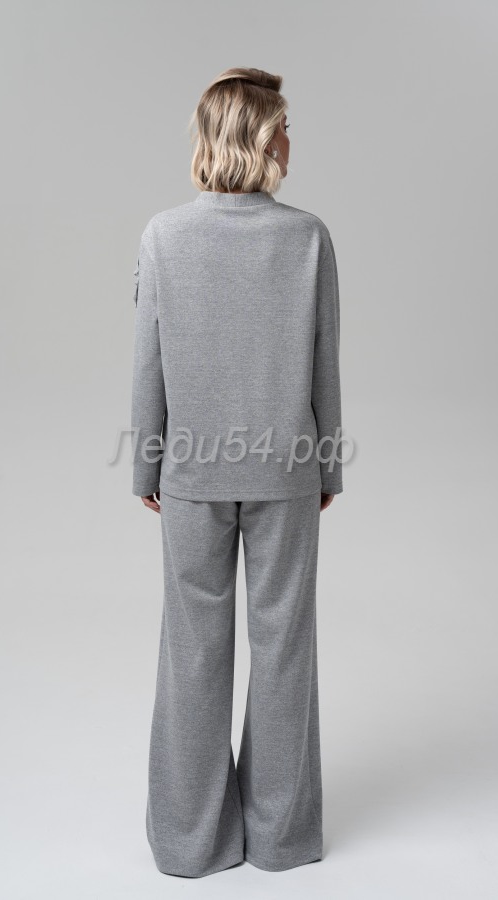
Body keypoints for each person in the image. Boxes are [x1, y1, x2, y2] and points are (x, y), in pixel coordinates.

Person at [131, 66, 344, 878]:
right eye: (283, 126)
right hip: (287, 469)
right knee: (285, 647)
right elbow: (325, 360)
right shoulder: (308, 237)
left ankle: (191, 843)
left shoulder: (163, 236)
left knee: (192, 651)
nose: (291, 139)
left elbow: (148, 358)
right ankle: (281, 839)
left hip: (192, 474)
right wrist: (327, 462)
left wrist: (146, 462)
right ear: (257, 137)